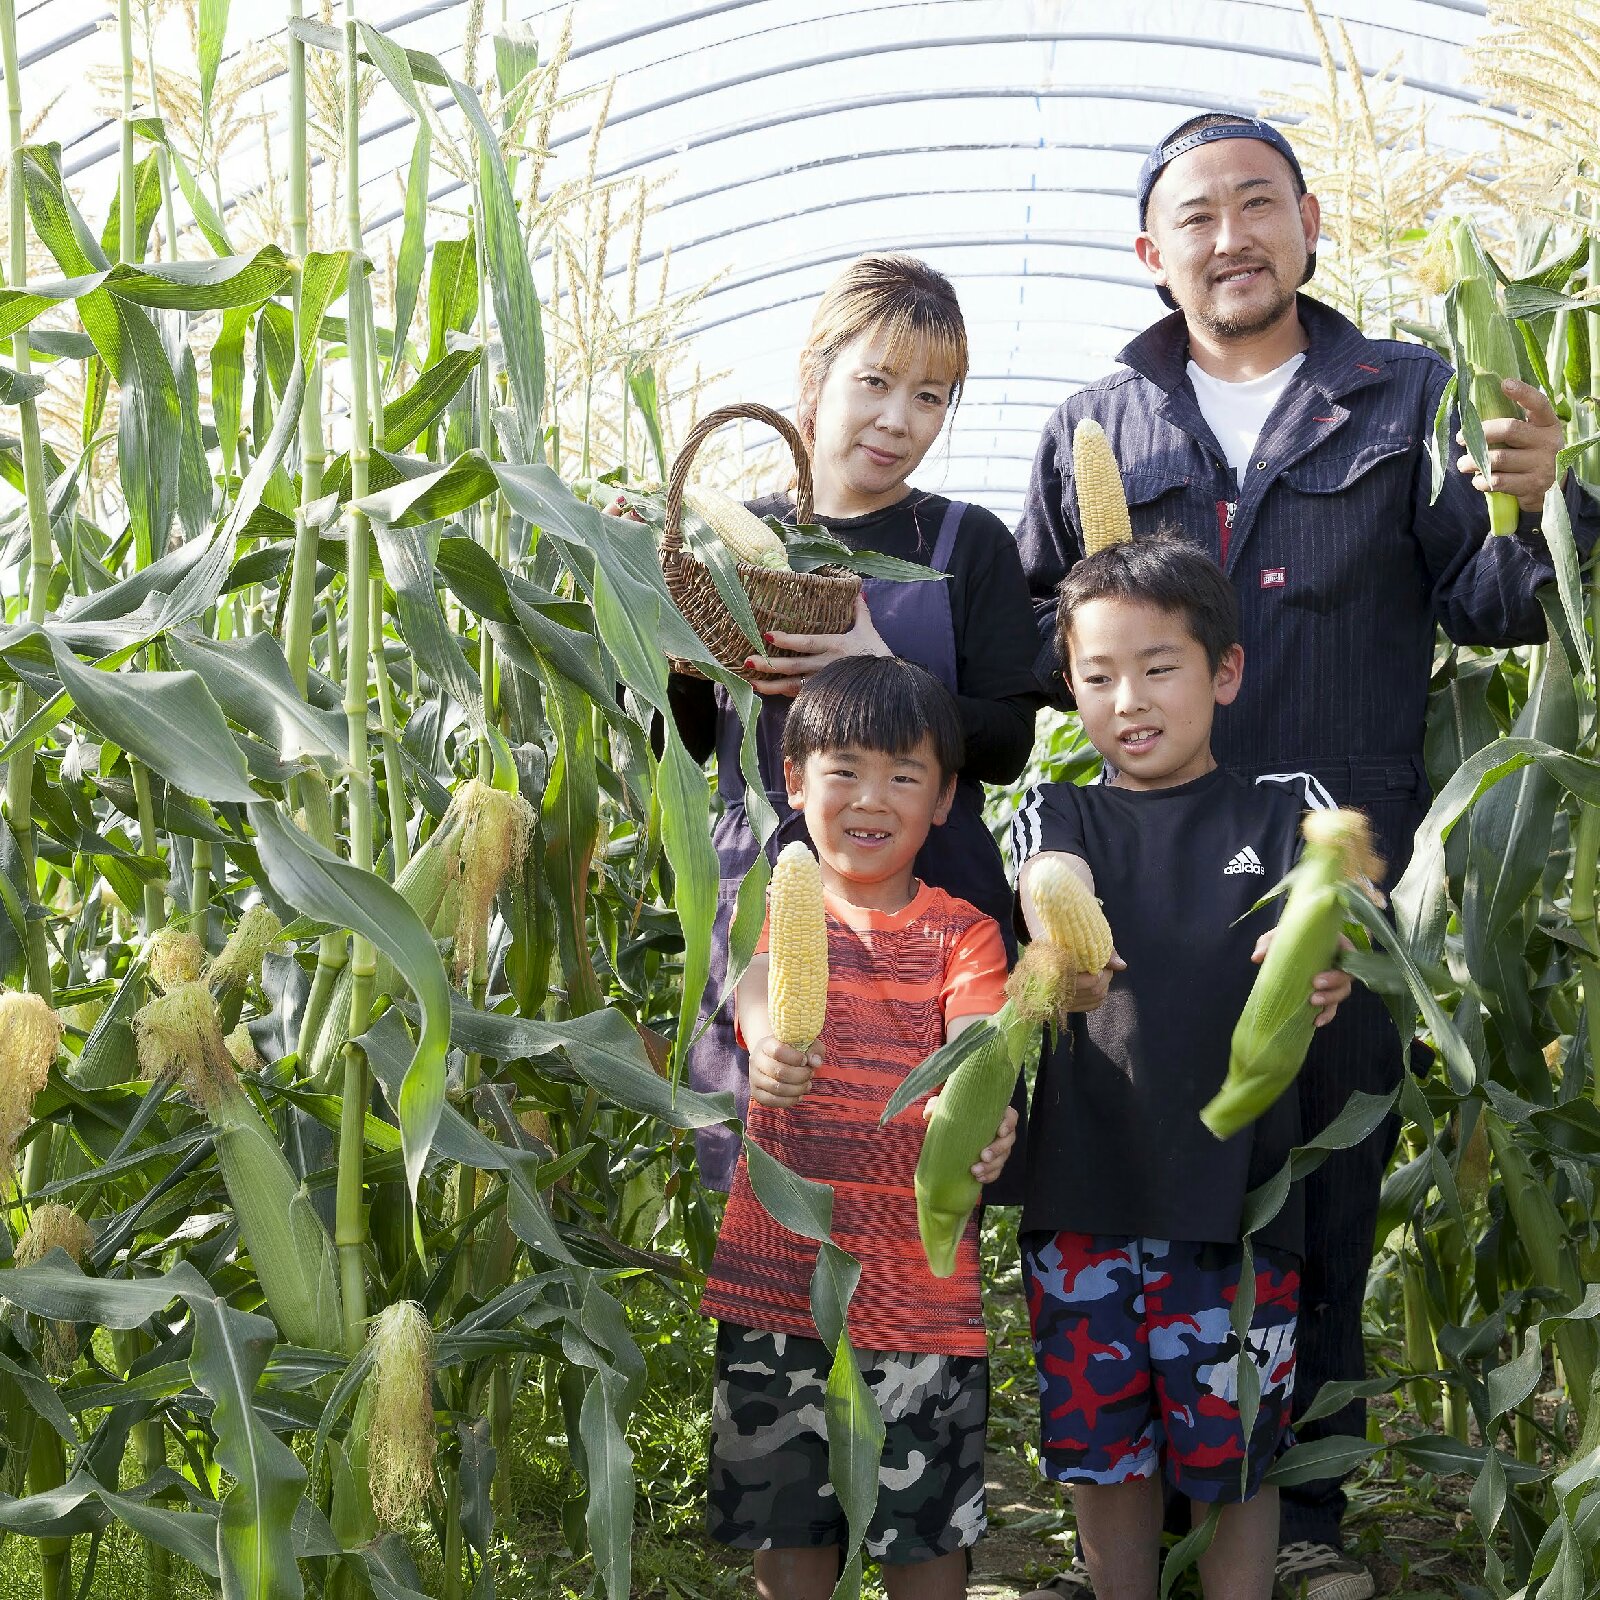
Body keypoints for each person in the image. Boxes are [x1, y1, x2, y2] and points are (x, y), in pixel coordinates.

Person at [1014, 112, 1600, 1598]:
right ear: (1151, 253)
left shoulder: (1407, 398)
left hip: (1345, 880)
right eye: (1195, 216)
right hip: (1148, 887)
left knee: (1321, 1185)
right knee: (1147, 1173)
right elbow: (1039, 637)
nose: (1231, 237)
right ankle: (1142, 1514)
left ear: (1311, 222)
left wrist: (1547, 493)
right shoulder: (1094, 424)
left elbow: (1495, 597)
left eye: (1257, 205)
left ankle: (1310, 1521)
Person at [1011, 536, 1354, 1600]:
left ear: (1225, 673)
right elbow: (1044, 875)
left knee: (1235, 1449)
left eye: (1159, 668)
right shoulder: (1059, 812)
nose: (1128, 700)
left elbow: (1341, 900)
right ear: (1069, 687)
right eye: (1098, 676)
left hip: (1237, 1203)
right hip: (1084, 1194)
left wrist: (1332, 950)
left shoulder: (1280, 804)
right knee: (1101, 1446)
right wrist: (1058, 909)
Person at [659, 253, 1043, 1195]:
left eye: (929, 397)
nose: (898, 420)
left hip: (926, 927)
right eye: (875, 382)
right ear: (816, 375)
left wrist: (878, 664)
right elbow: (691, 743)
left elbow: (1003, 743)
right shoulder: (729, 538)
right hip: (767, 917)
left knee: (916, 1202)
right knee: (771, 1218)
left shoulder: (966, 544)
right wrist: (667, 650)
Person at [699, 654, 1019, 1600]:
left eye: (904, 775)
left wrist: (985, 1119)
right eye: (843, 770)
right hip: (780, 1272)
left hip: (915, 1288)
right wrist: (767, 1044)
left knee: (922, 1536)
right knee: (785, 1523)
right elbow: (756, 986)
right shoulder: (773, 902)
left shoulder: (965, 932)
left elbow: (977, 1047)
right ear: (794, 783)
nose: (871, 798)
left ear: (944, 800)